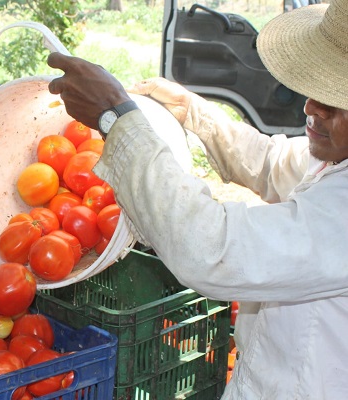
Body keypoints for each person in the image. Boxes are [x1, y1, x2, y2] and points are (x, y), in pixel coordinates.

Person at [46, 0, 348, 398]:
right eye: (315, 89)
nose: (310, 106)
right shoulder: (336, 158)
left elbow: (214, 248)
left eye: (336, 100)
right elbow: (275, 162)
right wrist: (195, 113)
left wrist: (114, 118)